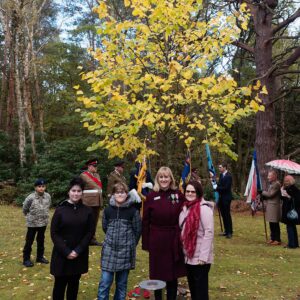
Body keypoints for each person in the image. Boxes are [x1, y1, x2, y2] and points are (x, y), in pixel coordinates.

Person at [142, 166, 186, 300]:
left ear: (170, 178)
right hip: (157, 240)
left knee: (172, 275)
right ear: (157, 179)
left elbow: (186, 214)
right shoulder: (151, 196)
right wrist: (146, 243)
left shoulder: (178, 195)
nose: (164, 179)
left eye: (166, 176)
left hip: (174, 239)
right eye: (161, 177)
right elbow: (145, 222)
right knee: (158, 274)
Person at [50, 177, 94, 300]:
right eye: (73, 190)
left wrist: (77, 250)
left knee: (73, 286)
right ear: (69, 192)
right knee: (59, 286)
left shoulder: (87, 211)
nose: (76, 193)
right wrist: (66, 251)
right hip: (61, 255)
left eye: (79, 191)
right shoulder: (60, 210)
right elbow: (54, 233)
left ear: (82, 193)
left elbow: (89, 232)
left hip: (79, 255)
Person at [98, 182, 142, 300]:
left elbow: (137, 231)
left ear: (126, 194)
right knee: (104, 283)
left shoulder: (133, 211)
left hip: (125, 253)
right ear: (113, 194)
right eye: (117, 192)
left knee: (121, 285)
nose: (120, 194)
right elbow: (105, 227)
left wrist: (130, 244)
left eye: (122, 192)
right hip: (109, 251)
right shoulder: (108, 210)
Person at [179, 181, 214, 300]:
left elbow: (208, 233)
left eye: (193, 191)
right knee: (193, 290)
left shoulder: (204, 209)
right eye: (187, 191)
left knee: (201, 292)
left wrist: (203, 257)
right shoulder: (185, 208)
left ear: (198, 193)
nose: (189, 193)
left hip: (200, 258)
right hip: (188, 256)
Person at [22, 178, 51, 267]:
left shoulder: (48, 196)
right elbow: (25, 208)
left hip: (43, 222)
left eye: (43, 186)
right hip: (32, 223)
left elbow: (48, 205)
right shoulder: (30, 197)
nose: (41, 188)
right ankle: (26, 259)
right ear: (35, 188)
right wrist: (28, 216)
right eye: (39, 186)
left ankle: (40, 257)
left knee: (41, 240)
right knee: (29, 241)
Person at [80, 158, 103, 246]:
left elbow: (99, 188)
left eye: (96, 166)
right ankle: (84, 238)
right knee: (87, 221)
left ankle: (92, 239)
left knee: (94, 221)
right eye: (94, 166)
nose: (96, 167)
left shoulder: (97, 175)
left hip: (97, 201)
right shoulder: (84, 175)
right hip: (88, 201)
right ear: (89, 166)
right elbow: (93, 185)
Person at [261, 170, 281, 245]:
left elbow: (270, 194)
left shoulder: (276, 184)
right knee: (271, 223)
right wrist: (263, 196)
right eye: (268, 175)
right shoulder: (272, 184)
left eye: (269, 176)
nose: (268, 177)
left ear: (274, 176)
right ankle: (272, 238)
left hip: (274, 206)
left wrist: (262, 192)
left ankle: (277, 239)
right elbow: (269, 196)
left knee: (275, 223)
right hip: (271, 205)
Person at [281, 175, 300, 248]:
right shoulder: (287, 188)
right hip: (288, 210)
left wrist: (288, 197)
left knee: (290, 227)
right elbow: (282, 198)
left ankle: (292, 244)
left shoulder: (294, 189)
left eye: (287, 181)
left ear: (291, 181)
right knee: (291, 227)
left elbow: (297, 200)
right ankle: (294, 243)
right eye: (285, 181)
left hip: (291, 212)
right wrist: (282, 191)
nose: (285, 182)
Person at [216, 163, 233, 238]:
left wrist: (217, 188)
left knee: (227, 215)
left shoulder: (228, 176)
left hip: (226, 198)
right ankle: (226, 231)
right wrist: (216, 185)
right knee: (223, 215)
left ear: (225, 167)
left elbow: (226, 188)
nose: (219, 169)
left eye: (220, 167)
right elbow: (219, 184)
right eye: (219, 167)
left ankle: (230, 232)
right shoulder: (221, 175)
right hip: (221, 198)